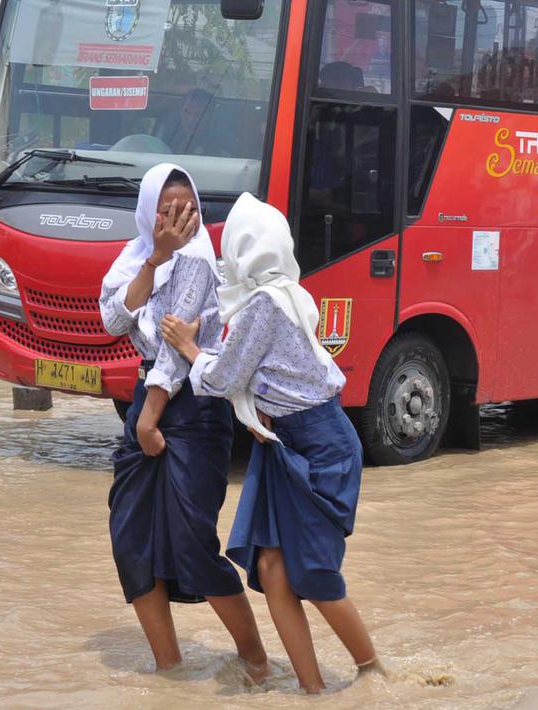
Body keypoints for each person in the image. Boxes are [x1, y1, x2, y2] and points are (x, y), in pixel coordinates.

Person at [160, 193, 382, 693]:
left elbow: (221, 377)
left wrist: (188, 347)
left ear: (242, 251)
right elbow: (256, 368)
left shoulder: (264, 304)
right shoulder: (284, 293)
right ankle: (312, 691)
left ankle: (373, 672)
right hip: (288, 444)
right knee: (272, 569)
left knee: (315, 575)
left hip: (320, 446)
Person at [98, 164, 269, 680]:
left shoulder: (196, 257)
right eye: (166, 210)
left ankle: (257, 663)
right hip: (145, 402)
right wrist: (155, 257)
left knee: (193, 544)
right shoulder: (139, 258)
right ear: (149, 214)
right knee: (130, 540)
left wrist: (150, 421)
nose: (177, 219)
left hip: (191, 408)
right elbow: (111, 319)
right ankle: (169, 669)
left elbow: (175, 353)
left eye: (186, 208)